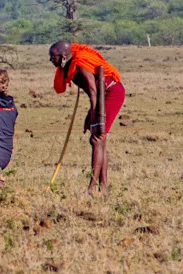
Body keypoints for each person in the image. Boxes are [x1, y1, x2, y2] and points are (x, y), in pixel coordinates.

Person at [48, 41, 125, 195]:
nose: (51, 60)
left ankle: (92, 187)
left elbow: (93, 91)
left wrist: (95, 115)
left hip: (111, 94)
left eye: (53, 57)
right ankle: (103, 187)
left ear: (63, 56)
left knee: (96, 139)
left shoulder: (81, 64)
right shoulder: (69, 64)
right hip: (101, 98)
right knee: (100, 139)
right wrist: (90, 115)